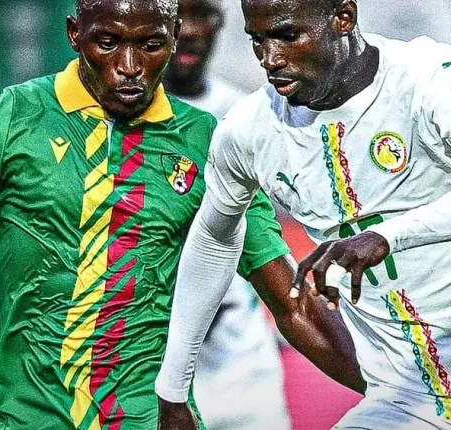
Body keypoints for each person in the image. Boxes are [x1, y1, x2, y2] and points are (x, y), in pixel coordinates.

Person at [0, 0, 364, 429]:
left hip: (148, 418)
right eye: (108, 43)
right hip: (23, 417)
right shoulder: (5, 121)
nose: (129, 67)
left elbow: (292, 302)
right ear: (74, 34)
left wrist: (388, 389)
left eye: (150, 45)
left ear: (173, 37)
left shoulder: (210, 145)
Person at [154, 0, 451, 428]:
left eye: (287, 35)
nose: (270, 58)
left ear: (343, 17)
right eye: (257, 40)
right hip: (403, 402)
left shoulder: (424, 76)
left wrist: (387, 237)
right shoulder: (248, 130)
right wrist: (172, 391)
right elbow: (212, 241)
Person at [162, 1, 291, 429]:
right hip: (148, 360)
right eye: (178, 15)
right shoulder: (114, 120)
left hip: (241, 365)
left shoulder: (246, 114)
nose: (190, 31)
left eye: (204, 15)